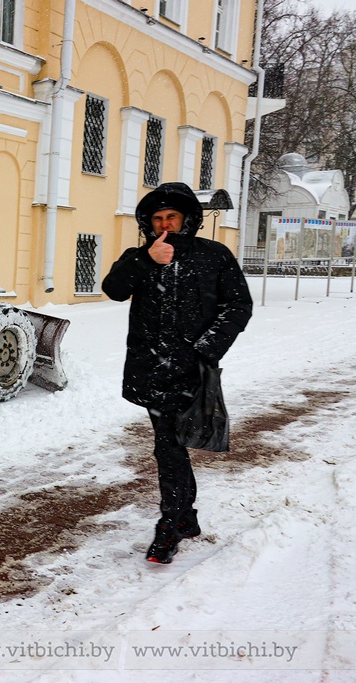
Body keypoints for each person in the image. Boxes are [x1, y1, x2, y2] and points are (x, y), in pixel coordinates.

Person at [101, 182, 253, 565]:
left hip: (193, 370)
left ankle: (174, 522)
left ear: (187, 219)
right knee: (170, 445)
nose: (164, 223)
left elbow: (238, 306)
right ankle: (180, 518)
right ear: (148, 224)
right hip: (151, 369)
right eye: (157, 218)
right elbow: (114, 289)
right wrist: (147, 260)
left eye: (171, 216)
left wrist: (206, 348)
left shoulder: (214, 256)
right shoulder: (141, 256)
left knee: (171, 446)